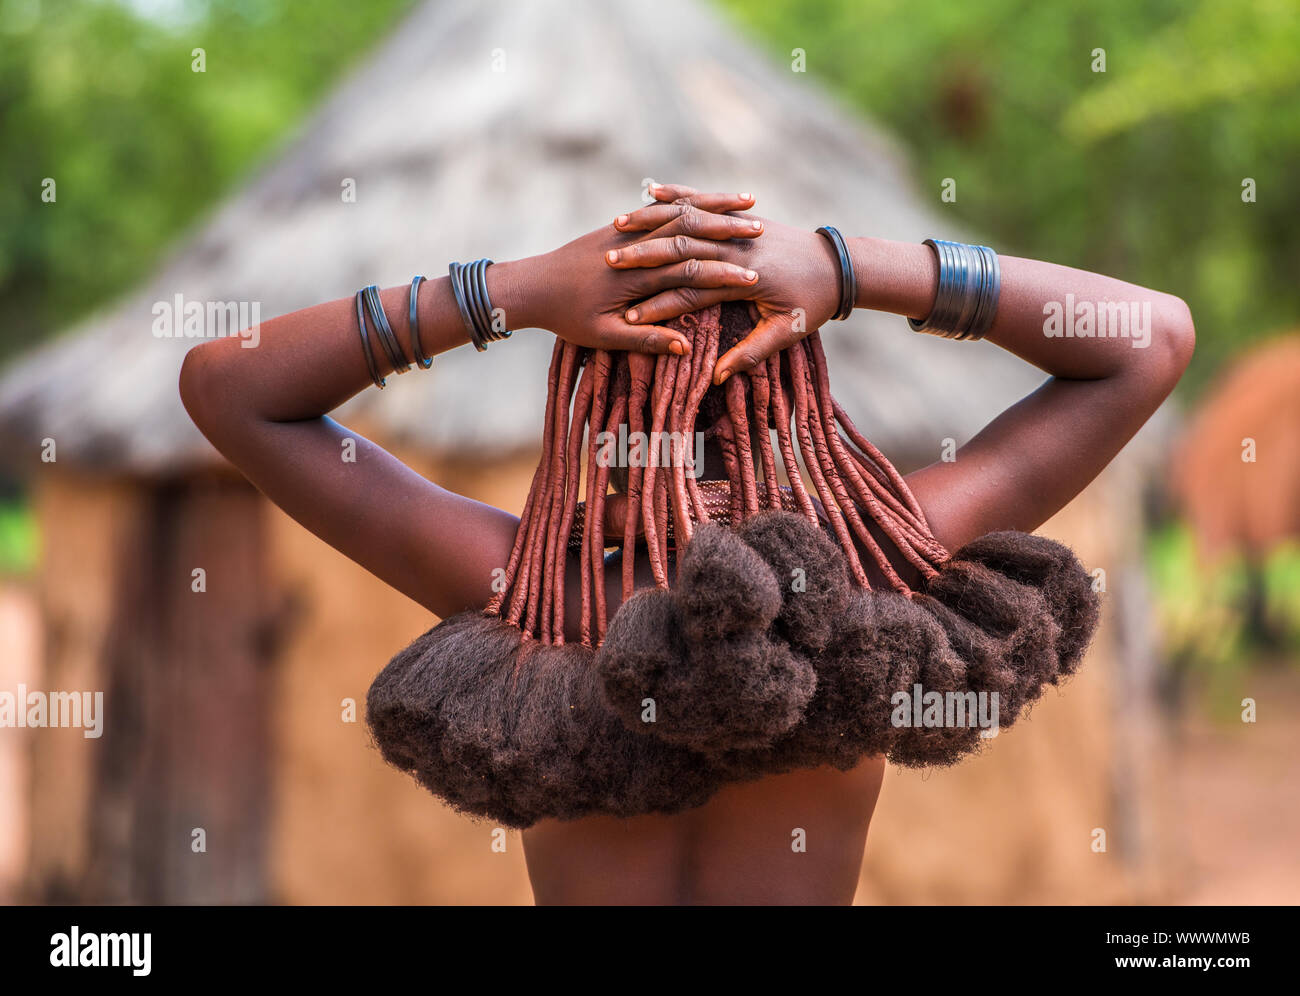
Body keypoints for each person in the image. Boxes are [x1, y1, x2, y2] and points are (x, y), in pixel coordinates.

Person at [180, 183, 1194, 905]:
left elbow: (233, 392)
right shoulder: (875, 575)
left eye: (722, 411)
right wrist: (850, 272)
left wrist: (509, 294)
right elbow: (1147, 342)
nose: (693, 450)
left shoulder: (524, 594)